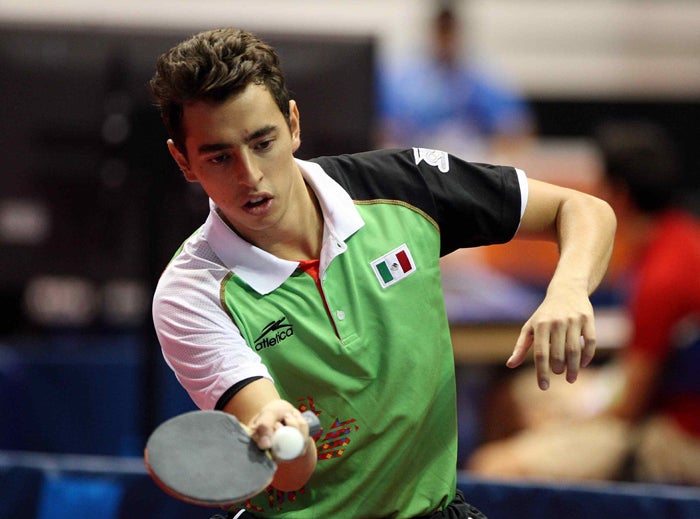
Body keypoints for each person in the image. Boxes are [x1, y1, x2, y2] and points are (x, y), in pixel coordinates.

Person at [149, 28, 616, 518]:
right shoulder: (192, 292)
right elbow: (290, 473)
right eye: (219, 157)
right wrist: (282, 433)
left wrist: (568, 289)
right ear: (184, 161)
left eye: (263, 142)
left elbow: (582, 210)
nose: (250, 176)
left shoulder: (403, 186)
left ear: (293, 124)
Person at [466, 121, 700, 485]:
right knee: (511, 396)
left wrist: (563, 426)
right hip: (644, 394)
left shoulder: (663, 277)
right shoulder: (681, 237)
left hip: (671, 431)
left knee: (491, 466)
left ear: (617, 193)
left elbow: (629, 406)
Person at [376, 3, 534, 160]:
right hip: (417, 161)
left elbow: (516, 125)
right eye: (441, 32)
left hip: (469, 161)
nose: (445, 41)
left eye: (450, 32)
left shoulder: (479, 76)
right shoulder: (404, 80)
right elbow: (384, 126)